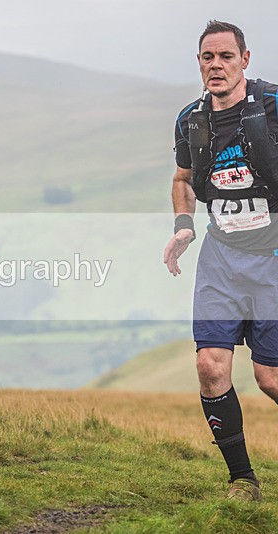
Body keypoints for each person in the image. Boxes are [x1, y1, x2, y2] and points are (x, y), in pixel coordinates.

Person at [164, 20, 278, 502]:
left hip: (272, 260)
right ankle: (243, 481)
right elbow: (183, 179)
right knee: (211, 365)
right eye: (208, 57)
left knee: (269, 377)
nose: (217, 65)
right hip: (220, 259)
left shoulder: (273, 105)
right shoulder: (192, 118)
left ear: (245, 60)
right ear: (199, 63)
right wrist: (184, 226)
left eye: (226, 56)